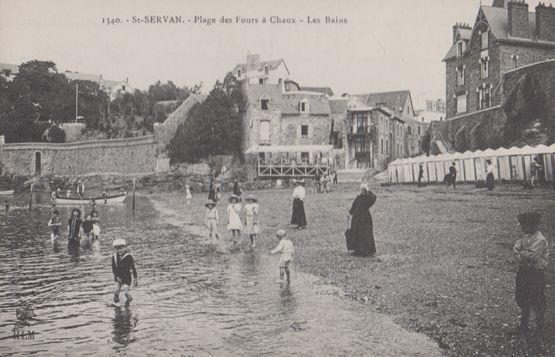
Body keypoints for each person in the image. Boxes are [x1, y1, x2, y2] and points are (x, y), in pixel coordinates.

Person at [512, 212, 549, 336]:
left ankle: (540, 328)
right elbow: (515, 249)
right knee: (523, 298)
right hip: (524, 272)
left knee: (537, 300)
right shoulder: (525, 237)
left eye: (525, 225)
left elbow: (532, 257)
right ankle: (524, 326)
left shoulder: (541, 240)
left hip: (536, 274)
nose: (522, 228)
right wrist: (523, 254)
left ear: (534, 225)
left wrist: (522, 254)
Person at [347, 182, 377, 256]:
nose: (361, 191)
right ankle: (358, 249)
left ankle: (366, 250)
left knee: (366, 234)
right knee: (356, 233)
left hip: (365, 218)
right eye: (361, 189)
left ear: (365, 190)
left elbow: (374, 197)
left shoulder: (368, 197)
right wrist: (350, 213)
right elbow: (354, 205)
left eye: (363, 189)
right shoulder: (359, 197)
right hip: (357, 218)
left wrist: (368, 191)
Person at [111, 239, 138, 306]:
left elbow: (133, 268)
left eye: (121, 248)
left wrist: (135, 278)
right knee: (116, 292)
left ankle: (129, 302)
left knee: (126, 293)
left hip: (127, 277)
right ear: (115, 249)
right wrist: (117, 277)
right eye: (117, 249)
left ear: (125, 248)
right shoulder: (114, 257)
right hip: (118, 276)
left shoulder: (129, 256)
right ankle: (116, 304)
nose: (119, 250)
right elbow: (114, 269)